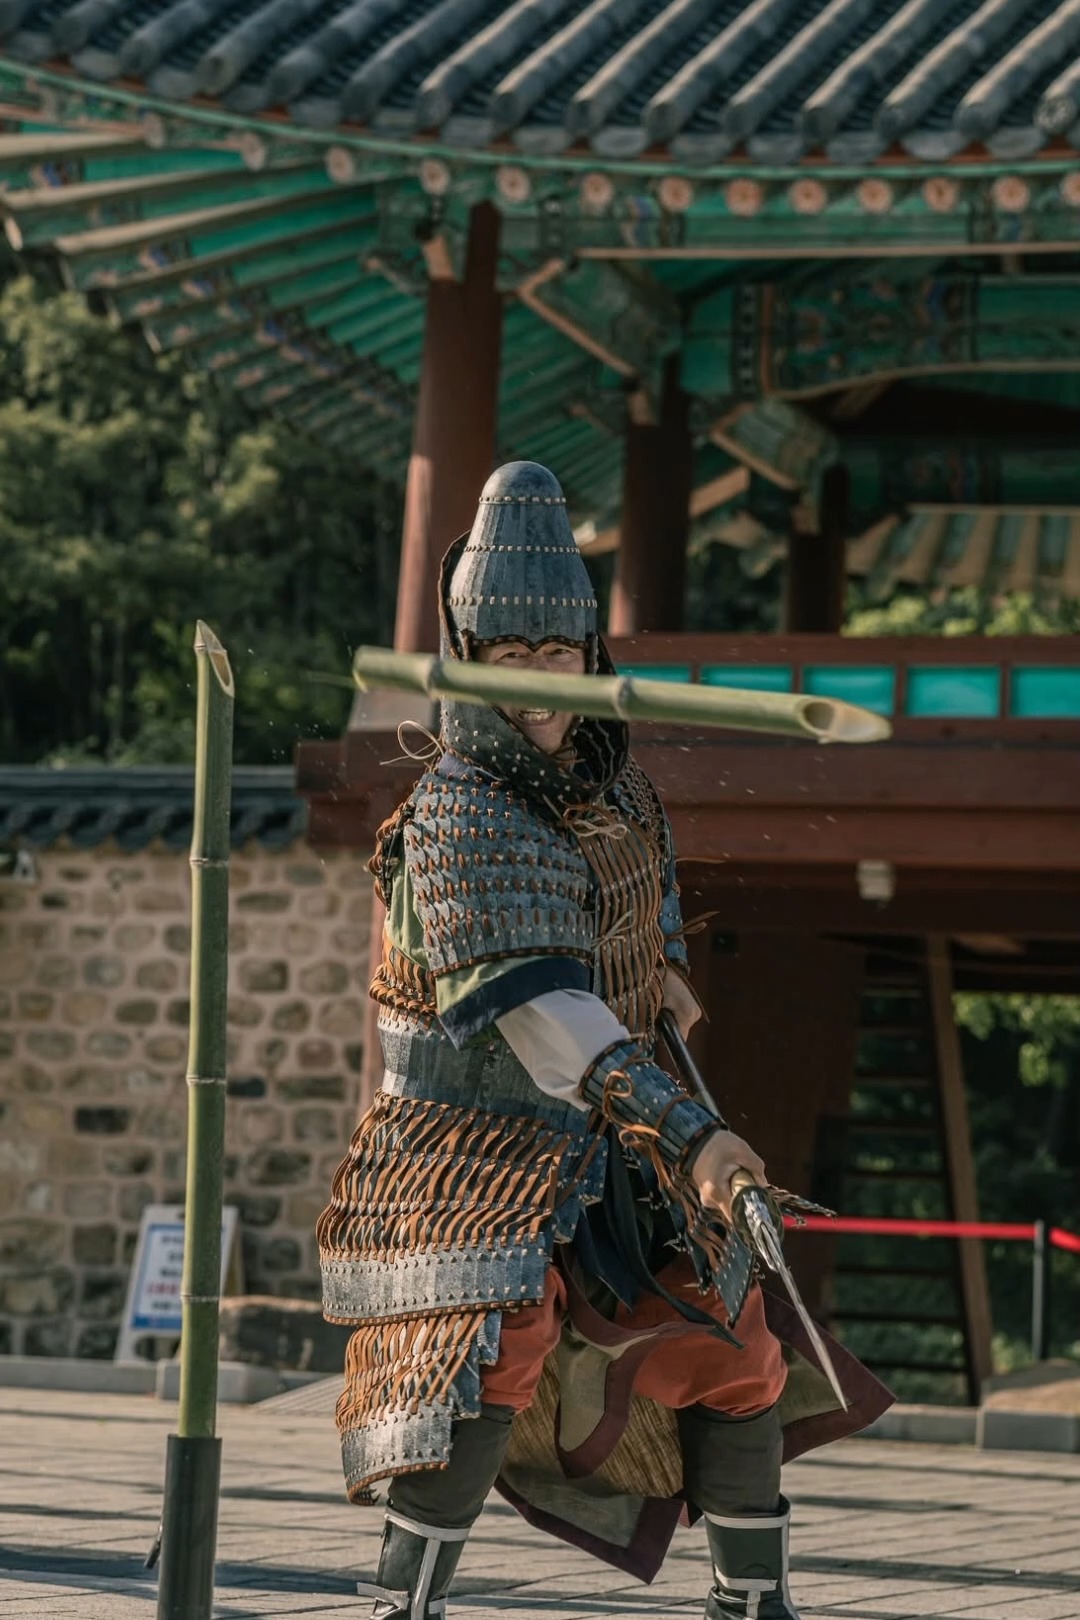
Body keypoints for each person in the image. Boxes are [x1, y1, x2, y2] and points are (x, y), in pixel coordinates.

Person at [318, 460, 890, 1619]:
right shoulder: (459, 809)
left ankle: (751, 1604)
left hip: (614, 1139)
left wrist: (685, 1085)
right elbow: (554, 1020)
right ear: (466, 652)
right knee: (492, 1333)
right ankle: (404, 1608)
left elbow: (647, 988)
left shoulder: (621, 798)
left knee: (737, 1341)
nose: (537, 685)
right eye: (509, 656)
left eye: (559, 656)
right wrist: (701, 1138)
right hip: (465, 1148)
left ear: (593, 660)